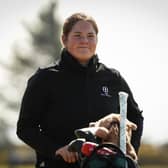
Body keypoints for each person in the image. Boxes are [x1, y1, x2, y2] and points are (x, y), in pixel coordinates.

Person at [16, 12, 143, 168]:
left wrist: (128, 155)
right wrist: (56, 150)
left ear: (97, 40)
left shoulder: (113, 78)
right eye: (77, 35)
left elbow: (136, 117)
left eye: (90, 36)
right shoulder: (45, 78)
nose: (84, 41)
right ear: (64, 39)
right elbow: (25, 128)